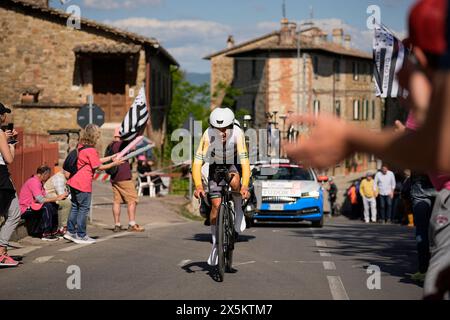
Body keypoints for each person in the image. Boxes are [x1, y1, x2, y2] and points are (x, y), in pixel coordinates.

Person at [192, 107, 250, 266]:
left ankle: (238, 208)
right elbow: (197, 163)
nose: (221, 133)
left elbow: (245, 163)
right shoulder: (207, 135)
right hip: (214, 165)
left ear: (232, 127)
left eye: (225, 129)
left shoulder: (238, 134)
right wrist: (198, 186)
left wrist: (245, 186)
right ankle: (216, 244)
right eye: (218, 129)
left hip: (233, 162)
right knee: (216, 206)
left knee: (235, 181)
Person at [64, 124, 124, 245]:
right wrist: (114, 163)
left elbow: (95, 161)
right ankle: (81, 235)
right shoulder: (91, 150)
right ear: (95, 136)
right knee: (83, 209)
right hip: (83, 184)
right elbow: (98, 167)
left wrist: (110, 157)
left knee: (75, 207)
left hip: (73, 181)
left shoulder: (81, 146)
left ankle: (70, 232)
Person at [108, 128, 144, 233]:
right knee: (132, 199)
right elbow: (133, 147)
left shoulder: (111, 145)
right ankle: (132, 223)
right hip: (124, 176)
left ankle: (117, 224)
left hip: (114, 176)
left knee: (117, 201)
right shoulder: (122, 144)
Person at [19, 165, 68, 241]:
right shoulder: (34, 182)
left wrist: (57, 199)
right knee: (47, 207)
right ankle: (46, 233)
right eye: (48, 175)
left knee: (54, 205)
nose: (48, 177)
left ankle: (53, 231)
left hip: (34, 205)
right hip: (25, 208)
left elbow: (45, 197)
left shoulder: (39, 182)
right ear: (44, 174)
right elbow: (41, 199)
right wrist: (57, 197)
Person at [0, 102, 21, 267]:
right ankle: (1, 252)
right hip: (2, 179)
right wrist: (11, 144)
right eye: (4, 113)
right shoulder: (0, 133)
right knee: (14, 213)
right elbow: (9, 159)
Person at [44, 167, 71, 235]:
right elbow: (61, 194)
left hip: (56, 195)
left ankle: (66, 226)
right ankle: (63, 227)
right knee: (66, 203)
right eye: (70, 172)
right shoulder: (59, 178)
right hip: (49, 195)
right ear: (65, 171)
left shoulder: (65, 177)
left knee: (70, 202)